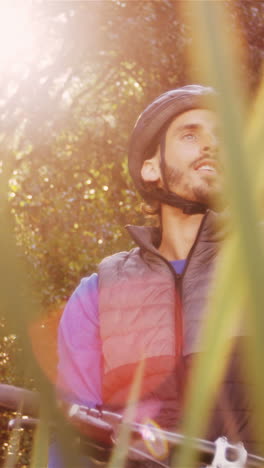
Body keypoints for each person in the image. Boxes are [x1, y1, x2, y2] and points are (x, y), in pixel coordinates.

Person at [53, 85, 259, 467]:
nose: (211, 145)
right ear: (151, 169)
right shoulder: (97, 293)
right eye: (190, 134)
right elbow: (71, 434)